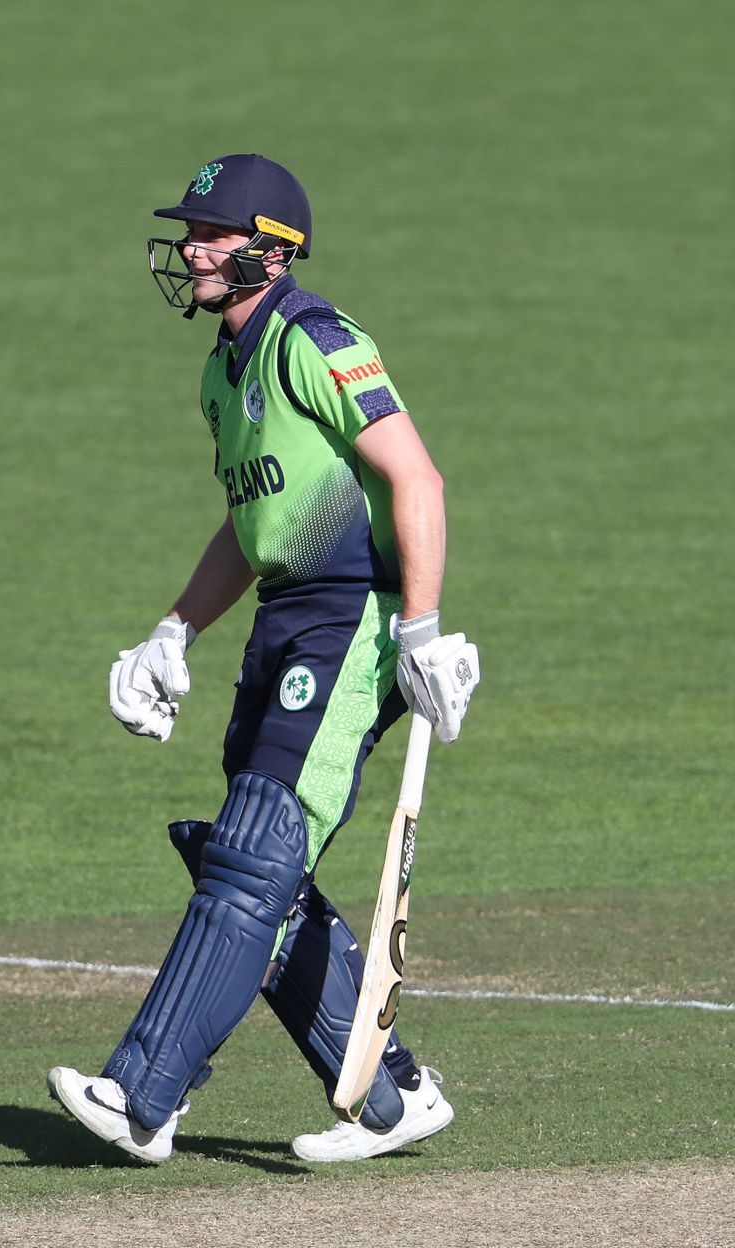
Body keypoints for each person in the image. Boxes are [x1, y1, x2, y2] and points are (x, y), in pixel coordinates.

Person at [47, 154, 480, 1164]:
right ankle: (390, 1093)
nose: (191, 247)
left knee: (252, 850)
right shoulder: (222, 370)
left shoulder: (316, 339)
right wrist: (173, 628)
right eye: (189, 231)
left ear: (271, 249)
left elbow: (417, 475)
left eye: (211, 231)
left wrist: (420, 626)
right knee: (259, 868)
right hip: (285, 616)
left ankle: (143, 1092)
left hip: (350, 620)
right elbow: (253, 526)